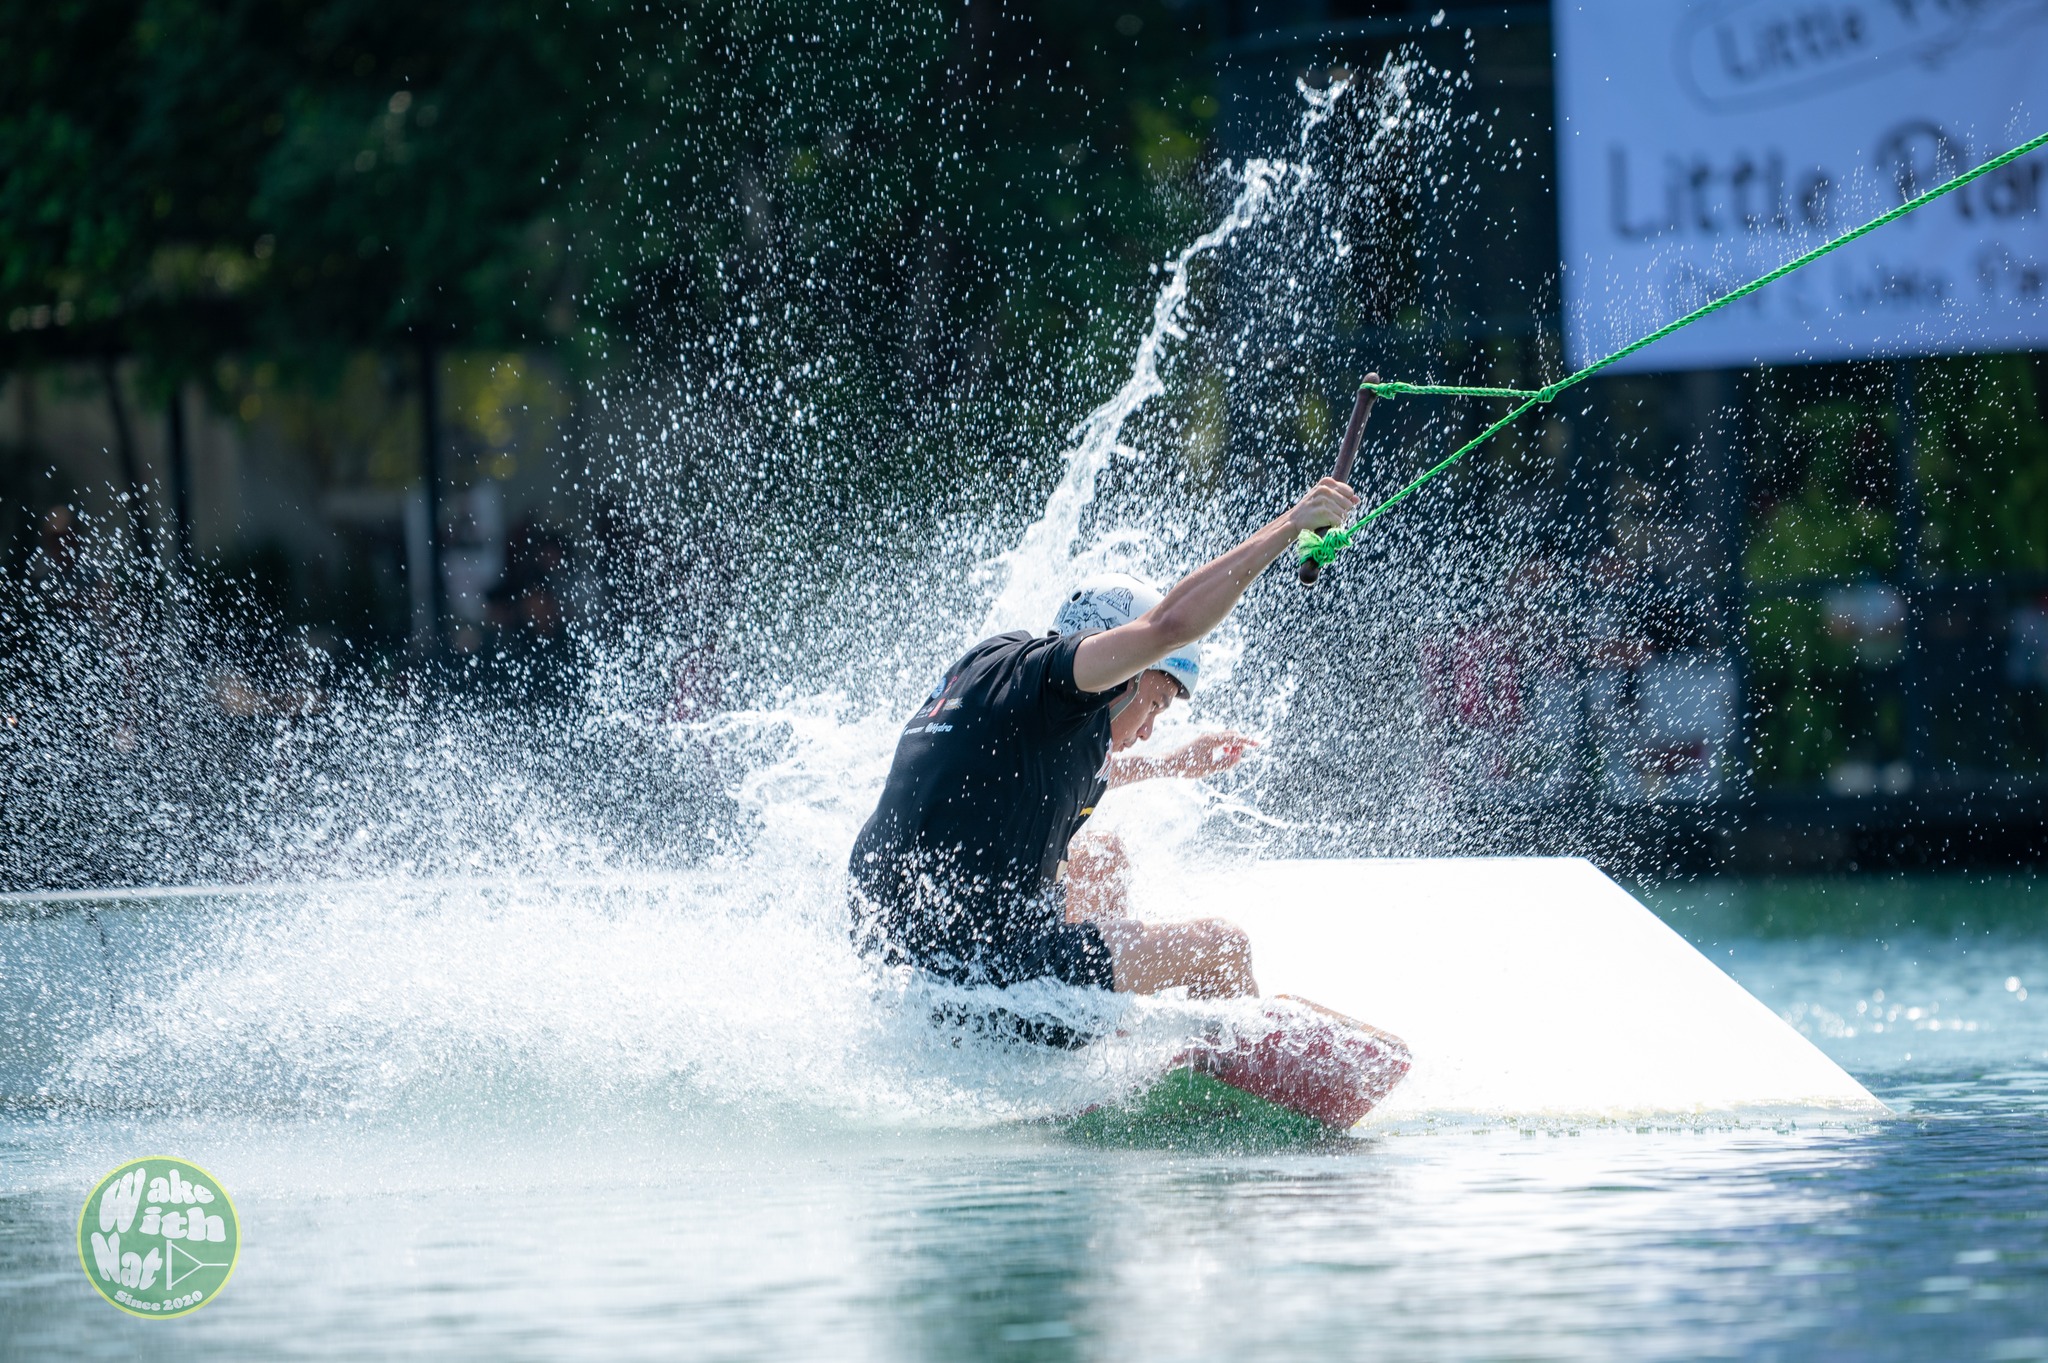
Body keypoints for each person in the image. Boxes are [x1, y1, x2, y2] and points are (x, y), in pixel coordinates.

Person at [848, 476, 1361, 1014]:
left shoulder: (1001, 671)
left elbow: (1034, 775)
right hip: (981, 973)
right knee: (1222, 947)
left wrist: (1172, 764)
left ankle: (1105, 1032)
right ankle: (1222, 1085)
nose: (1147, 730)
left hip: (891, 949)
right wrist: (1290, 526)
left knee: (1103, 859)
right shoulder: (1062, 680)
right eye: (1156, 705)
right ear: (1121, 672)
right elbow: (1169, 626)